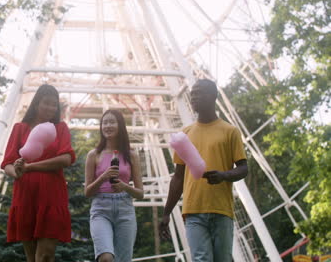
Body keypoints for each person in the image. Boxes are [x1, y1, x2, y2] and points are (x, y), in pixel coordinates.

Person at [159, 79, 248, 262]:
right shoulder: (185, 134)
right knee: (201, 258)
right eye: (193, 94)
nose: (194, 97)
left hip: (221, 209)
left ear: (213, 96)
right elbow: (178, 177)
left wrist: (224, 175)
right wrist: (167, 212)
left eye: (199, 93)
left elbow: (243, 168)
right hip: (193, 210)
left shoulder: (230, 132)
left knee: (222, 259)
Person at [1, 84, 75, 262]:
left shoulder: (60, 128)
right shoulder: (20, 128)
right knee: (32, 257)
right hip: (26, 195)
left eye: (54, 104)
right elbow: (7, 163)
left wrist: (31, 167)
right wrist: (16, 172)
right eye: (46, 103)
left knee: (45, 255)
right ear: (36, 104)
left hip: (52, 196)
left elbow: (66, 158)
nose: (51, 108)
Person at [84, 109, 144, 262]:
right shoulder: (94, 155)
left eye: (112, 122)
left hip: (125, 209)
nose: (108, 126)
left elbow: (140, 193)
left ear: (120, 126)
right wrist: (103, 177)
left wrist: (125, 186)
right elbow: (87, 192)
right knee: (106, 258)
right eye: (105, 122)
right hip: (101, 208)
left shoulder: (131, 155)